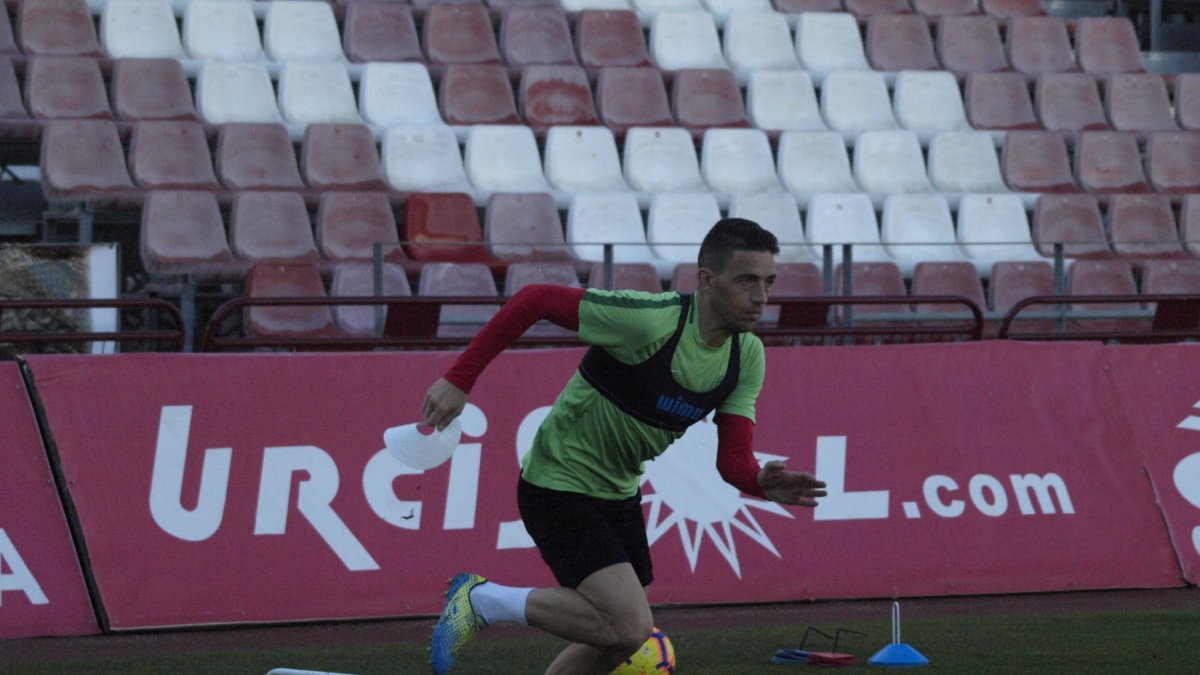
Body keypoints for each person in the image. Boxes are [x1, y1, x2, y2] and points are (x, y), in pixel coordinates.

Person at [423, 218, 828, 675]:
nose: (761, 296)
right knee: (631, 627)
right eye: (747, 280)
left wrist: (758, 481)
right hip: (557, 482)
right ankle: (481, 601)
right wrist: (459, 379)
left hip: (618, 494)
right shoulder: (649, 321)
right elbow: (533, 299)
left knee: (612, 639)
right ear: (707, 281)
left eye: (769, 282)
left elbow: (731, 459)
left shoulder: (746, 356)